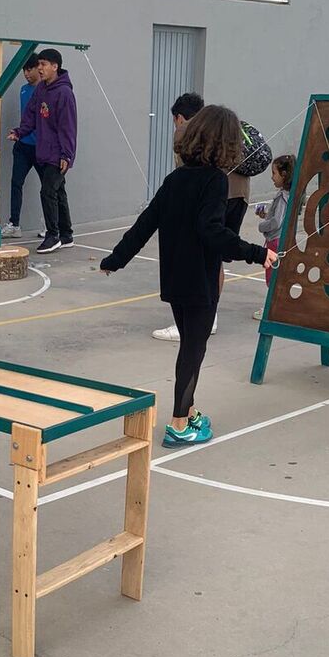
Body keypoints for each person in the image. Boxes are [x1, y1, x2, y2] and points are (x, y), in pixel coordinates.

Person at [100, 105, 267, 447]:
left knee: (192, 346)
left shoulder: (175, 179)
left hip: (175, 279)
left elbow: (145, 223)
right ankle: (179, 424)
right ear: (227, 143)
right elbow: (213, 233)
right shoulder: (215, 181)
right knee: (193, 349)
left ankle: (187, 411)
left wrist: (116, 259)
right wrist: (258, 253)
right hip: (200, 281)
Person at [152, 92, 249, 342]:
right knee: (215, 255)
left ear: (180, 118)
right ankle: (209, 314)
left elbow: (187, 178)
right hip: (238, 196)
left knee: (199, 250)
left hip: (214, 196)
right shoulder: (222, 129)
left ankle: (202, 315)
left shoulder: (188, 134)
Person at [9, 48, 77, 254]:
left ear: (55, 67)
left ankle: (52, 234)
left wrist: (67, 154)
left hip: (58, 154)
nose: (39, 68)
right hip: (43, 150)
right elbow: (31, 115)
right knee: (58, 192)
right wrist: (20, 132)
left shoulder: (64, 93)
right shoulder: (41, 90)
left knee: (47, 191)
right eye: (38, 64)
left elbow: (68, 126)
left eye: (43, 64)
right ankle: (66, 235)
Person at [2, 55, 41, 238]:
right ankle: (14, 224)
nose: (26, 73)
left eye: (29, 69)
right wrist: (19, 133)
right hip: (23, 145)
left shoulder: (45, 91)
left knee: (49, 188)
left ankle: (51, 226)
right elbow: (26, 118)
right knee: (16, 183)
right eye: (24, 70)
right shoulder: (23, 90)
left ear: (38, 68)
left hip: (41, 147)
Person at [253, 153, 295, 319]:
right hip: (279, 239)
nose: (272, 177)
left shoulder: (283, 197)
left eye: (274, 173)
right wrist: (265, 215)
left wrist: (262, 225)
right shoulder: (287, 195)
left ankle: (272, 309)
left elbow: (277, 221)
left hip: (275, 241)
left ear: (283, 175)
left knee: (273, 277)